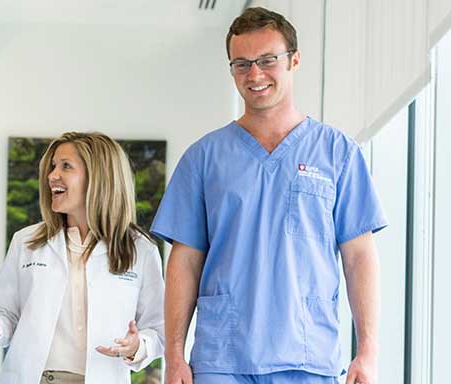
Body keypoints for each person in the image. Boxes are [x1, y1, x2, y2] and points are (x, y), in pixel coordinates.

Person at [152, 7, 387, 384]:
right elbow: (185, 260)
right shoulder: (204, 157)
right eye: (241, 64)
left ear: (294, 60)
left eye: (267, 60)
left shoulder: (337, 152)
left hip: (307, 355)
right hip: (222, 357)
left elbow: (359, 257)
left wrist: (368, 351)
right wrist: (174, 356)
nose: (254, 75)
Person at [0, 132, 165, 383]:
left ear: (99, 178)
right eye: (52, 166)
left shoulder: (140, 250)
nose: (52, 176)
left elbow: (159, 331)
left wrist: (138, 345)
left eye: (66, 166)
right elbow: (4, 314)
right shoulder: (27, 242)